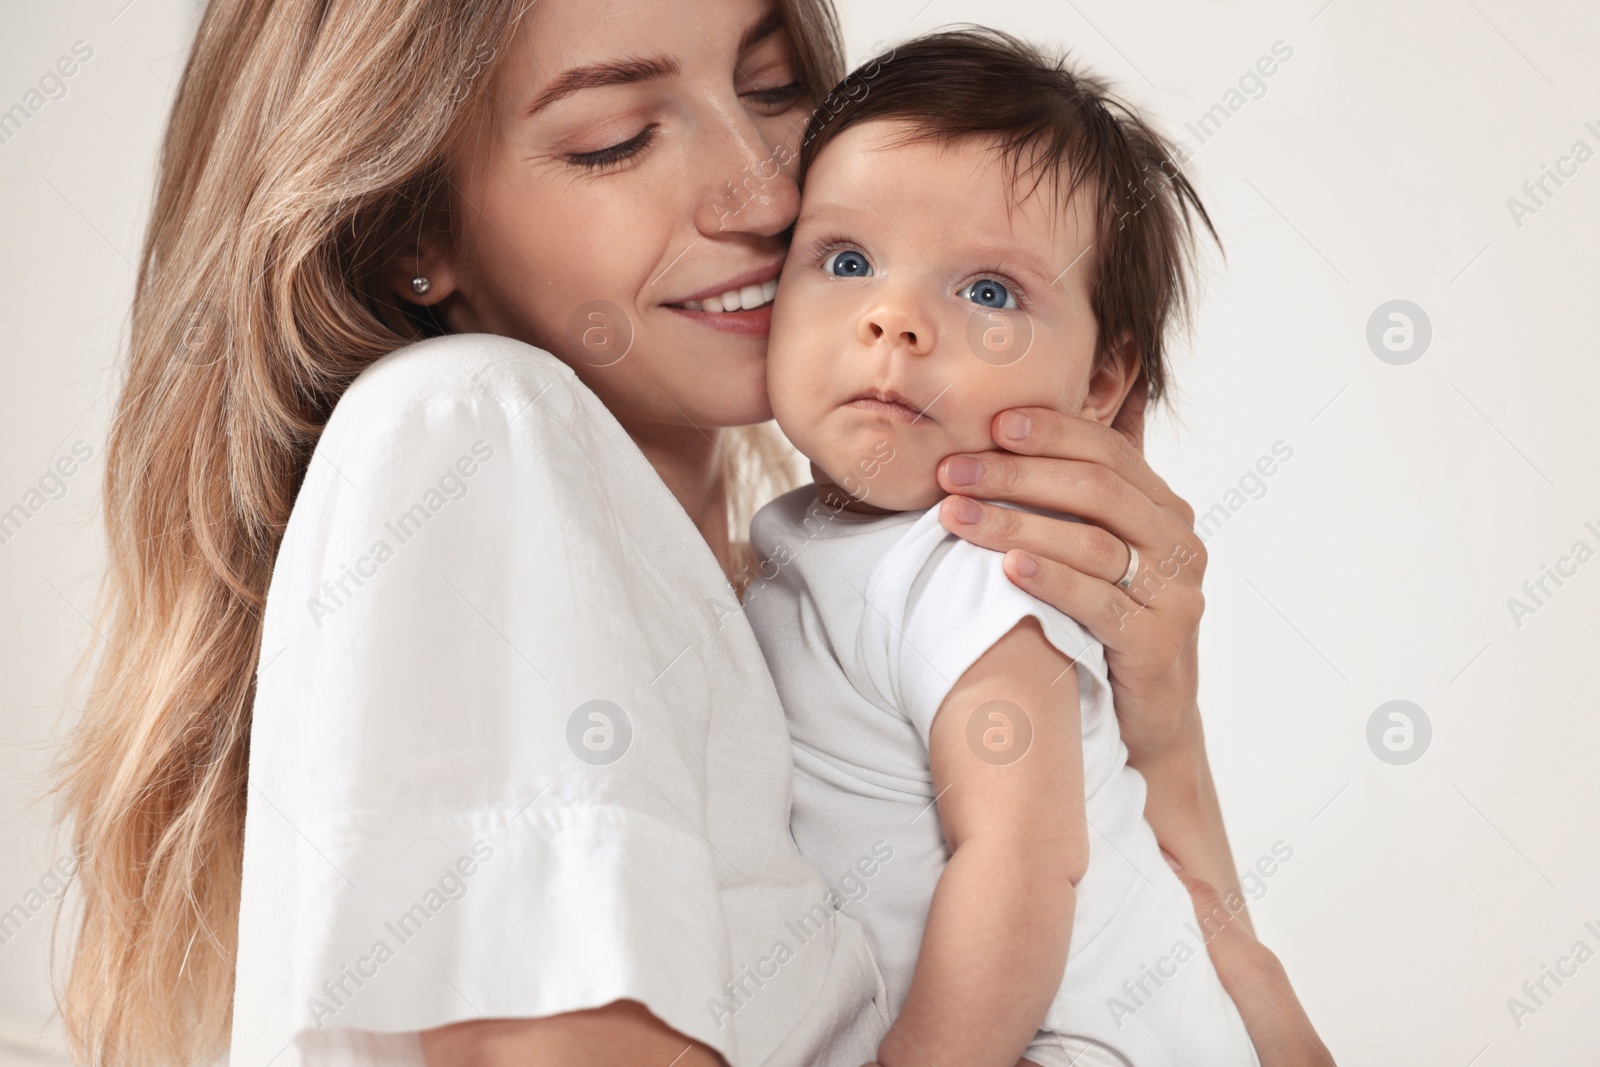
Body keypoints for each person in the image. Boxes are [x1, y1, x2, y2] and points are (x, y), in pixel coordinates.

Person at [52, 1, 1331, 1065]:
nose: (768, 190)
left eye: (774, 87)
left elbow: (1240, 1013)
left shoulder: (783, 603)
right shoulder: (471, 427)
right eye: (614, 138)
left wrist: (1159, 729)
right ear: (415, 236)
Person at [748, 29, 1253, 1067]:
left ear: (1101, 386)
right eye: (845, 261)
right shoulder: (804, 541)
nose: (894, 319)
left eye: (987, 292)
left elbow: (1022, 856)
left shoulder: (970, 565)